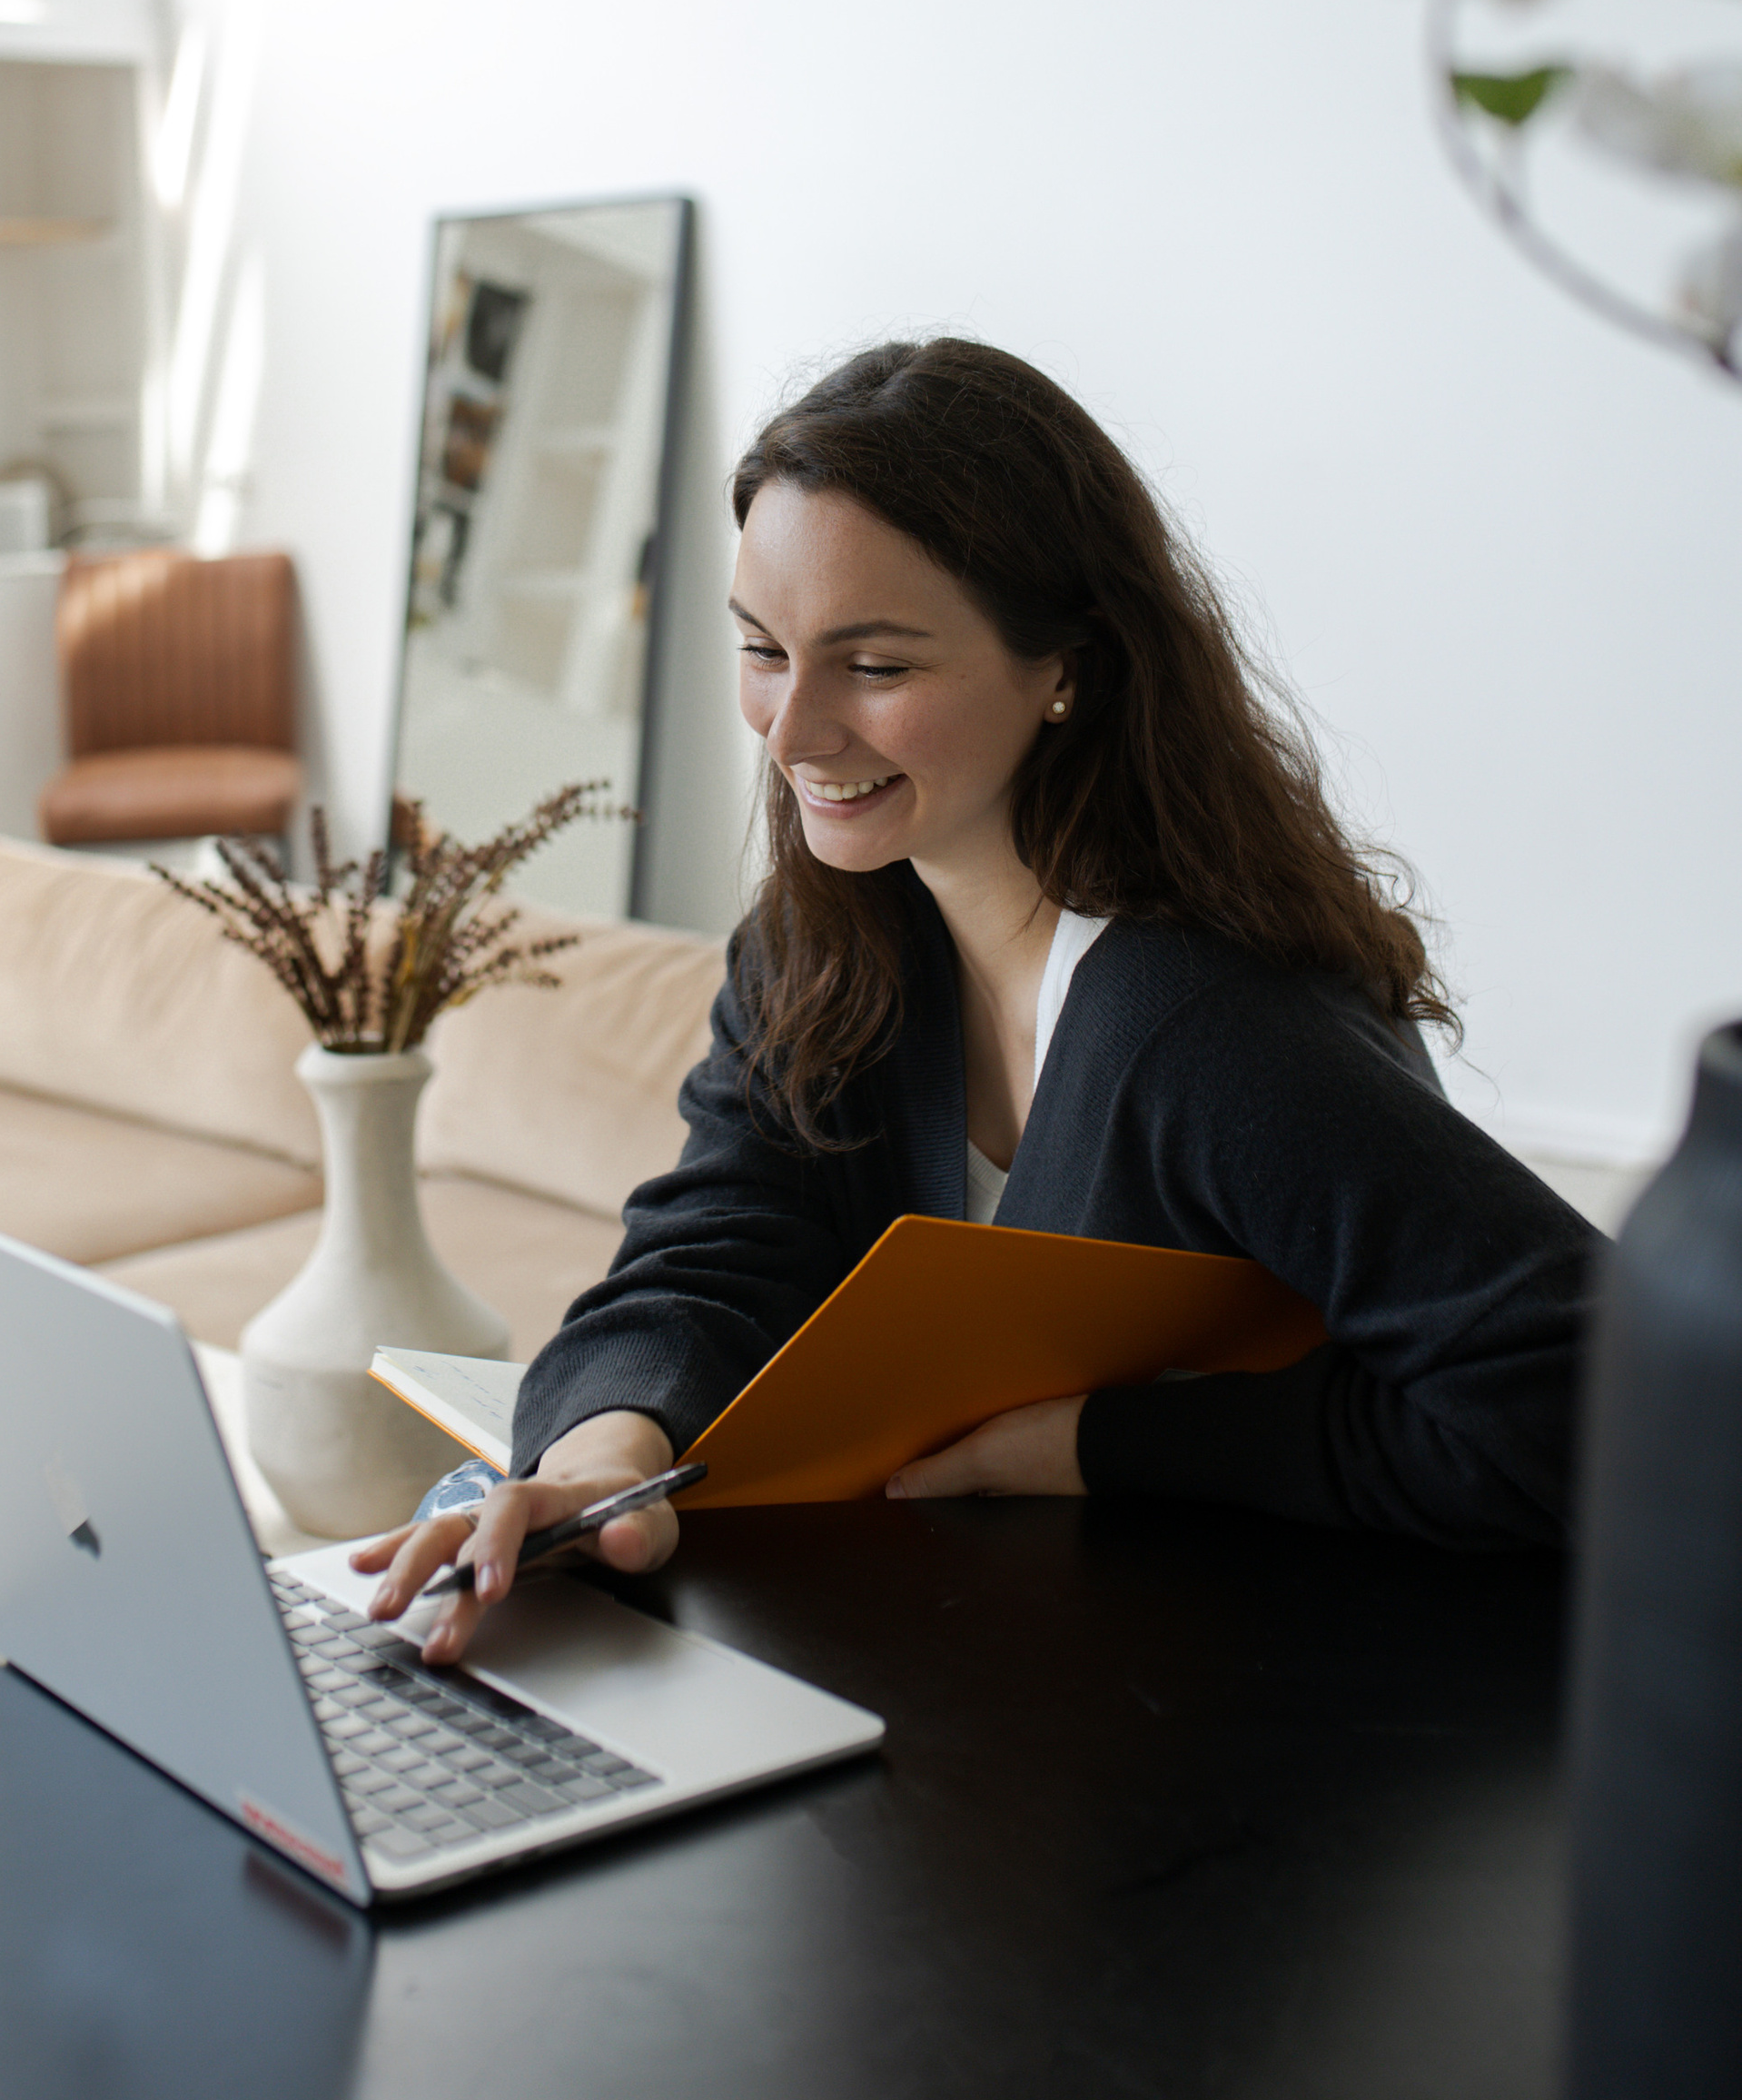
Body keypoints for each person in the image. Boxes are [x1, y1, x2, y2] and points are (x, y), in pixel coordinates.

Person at [358, 337, 1605, 1663]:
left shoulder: (1208, 1029)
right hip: (976, 1686)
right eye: (764, 650)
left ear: (1068, 667)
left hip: (1245, 1738)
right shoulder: (823, 941)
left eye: (877, 668)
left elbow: (1604, 1404)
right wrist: (610, 1463)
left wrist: (1109, 1445)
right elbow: (716, 1248)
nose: (790, 735)